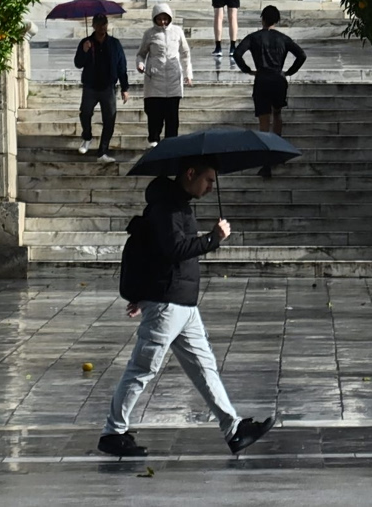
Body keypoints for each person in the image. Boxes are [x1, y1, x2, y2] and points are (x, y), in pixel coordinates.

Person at [98, 157, 275, 457]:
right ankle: (113, 432)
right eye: (208, 180)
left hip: (182, 304)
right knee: (142, 369)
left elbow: (160, 254)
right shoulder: (166, 207)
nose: (210, 187)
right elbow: (174, 250)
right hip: (168, 305)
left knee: (205, 368)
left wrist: (146, 296)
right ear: (190, 173)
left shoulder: (177, 205)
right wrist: (213, 238)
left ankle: (233, 430)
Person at [232, 6, 307, 178]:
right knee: (277, 113)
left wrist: (248, 70)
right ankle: (278, 149)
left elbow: (237, 54)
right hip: (278, 79)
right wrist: (289, 72)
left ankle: (266, 161)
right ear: (277, 20)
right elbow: (301, 55)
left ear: (262, 19)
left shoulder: (254, 37)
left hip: (262, 79)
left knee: (264, 120)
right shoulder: (283, 38)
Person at [74, 14, 129, 163]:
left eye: (104, 24)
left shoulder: (114, 43)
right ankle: (87, 137)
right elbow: (78, 63)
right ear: (93, 26)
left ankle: (102, 152)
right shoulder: (86, 42)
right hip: (90, 86)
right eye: (98, 24)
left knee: (109, 119)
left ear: (107, 25)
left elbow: (121, 66)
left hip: (108, 87)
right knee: (85, 113)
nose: (101, 27)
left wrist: (125, 88)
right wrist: (84, 51)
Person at [136, 3, 192, 147]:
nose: (162, 22)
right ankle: (153, 141)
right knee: (155, 117)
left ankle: (171, 146)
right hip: (155, 81)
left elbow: (185, 54)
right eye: (159, 19)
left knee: (172, 118)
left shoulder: (177, 32)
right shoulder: (149, 34)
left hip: (173, 81)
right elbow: (141, 54)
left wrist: (188, 73)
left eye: (165, 18)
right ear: (154, 19)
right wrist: (140, 64)